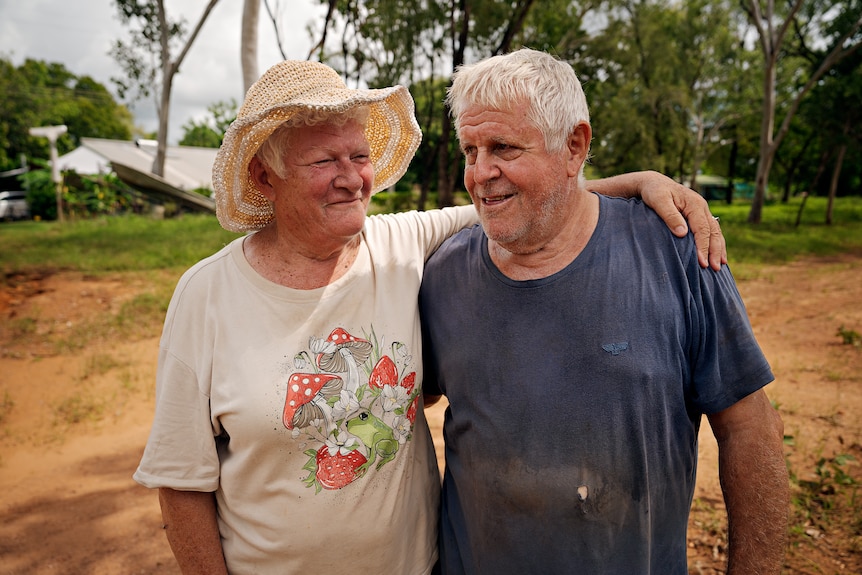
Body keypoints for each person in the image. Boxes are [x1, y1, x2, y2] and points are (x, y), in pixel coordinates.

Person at [133, 59, 725, 574]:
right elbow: (183, 482)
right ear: (266, 174)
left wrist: (643, 183)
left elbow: (523, 192)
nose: (350, 177)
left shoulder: (401, 245)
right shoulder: (206, 295)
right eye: (322, 161)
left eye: (359, 156)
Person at [419, 48, 788, 575]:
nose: (480, 173)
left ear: (574, 146)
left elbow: (749, 429)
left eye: (502, 147)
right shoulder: (443, 274)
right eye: (469, 150)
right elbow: (412, 402)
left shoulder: (675, 250)